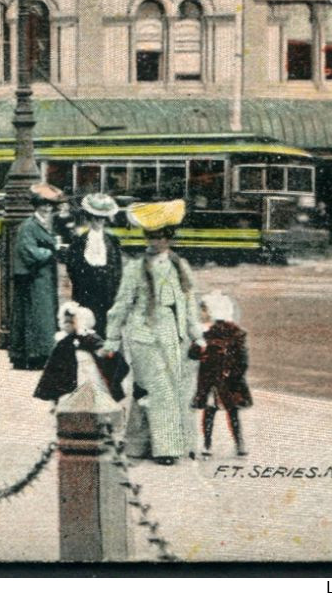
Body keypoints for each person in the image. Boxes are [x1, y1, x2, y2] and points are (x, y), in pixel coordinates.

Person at [103, 199, 202, 465]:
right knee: (161, 391)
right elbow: (121, 304)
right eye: (150, 236)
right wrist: (112, 338)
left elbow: (190, 303)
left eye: (159, 237)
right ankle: (166, 449)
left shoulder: (180, 266)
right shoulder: (135, 268)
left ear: (168, 238)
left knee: (155, 390)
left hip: (174, 335)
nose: (154, 242)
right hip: (144, 336)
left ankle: (136, 443)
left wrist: (197, 334)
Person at [190, 291, 251, 457]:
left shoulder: (204, 333)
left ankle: (208, 445)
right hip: (228, 380)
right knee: (232, 413)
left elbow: (192, 354)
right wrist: (236, 375)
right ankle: (239, 444)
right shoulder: (235, 333)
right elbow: (243, 360)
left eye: (204, 310)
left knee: (210, 413)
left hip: (212, 379)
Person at [8, 186, 62, 370]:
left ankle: (36, 353)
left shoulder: (42, 224)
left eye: (49, 205)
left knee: (40, 315)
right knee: (38, 315)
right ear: (36, 206)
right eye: (43, 205)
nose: (47, 209)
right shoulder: (29, 226)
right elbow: (28, 250)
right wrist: (51, 249)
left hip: (42, 277)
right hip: (35, 278)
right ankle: (36, 354)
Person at [34, 303, 128, 403]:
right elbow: (53, 367)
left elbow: (102, 348)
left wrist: (104, 352)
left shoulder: (88, 337)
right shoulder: (63, 342)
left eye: (71, 321)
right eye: (66, 321)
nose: (68, 324)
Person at [62, 193, 125, 337]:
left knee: (105, 329)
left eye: (102, 219)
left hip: (107, 292)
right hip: (86, 292)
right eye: (96, 218)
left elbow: (117, 268)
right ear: (90, 218)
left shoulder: (112, 241)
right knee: (85, 328)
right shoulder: (79, 241)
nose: (99, 222)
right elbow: (72, 267)